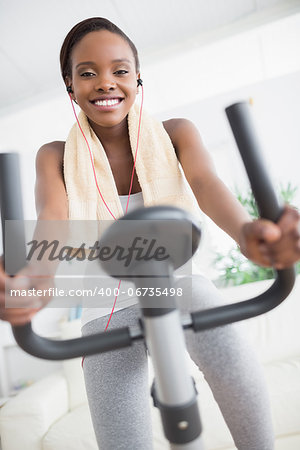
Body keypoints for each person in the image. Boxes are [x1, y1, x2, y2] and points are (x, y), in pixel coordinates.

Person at [1, 16, 300, 449]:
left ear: (137, 77)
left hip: (177, 284)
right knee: (120, 436)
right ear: (70, 85)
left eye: (120, 71)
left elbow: (208, 187)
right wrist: (36, 280)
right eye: (88, 73)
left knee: (230, 351)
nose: (106, 83)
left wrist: (250, 233)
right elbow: (54, 220)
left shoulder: (176, 134)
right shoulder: (55, 156)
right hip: (107, 304)